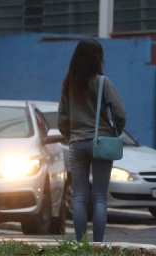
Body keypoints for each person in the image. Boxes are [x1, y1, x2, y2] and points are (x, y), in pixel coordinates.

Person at [58, 39, 126, 242]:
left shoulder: (68, 82)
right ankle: (98, 244)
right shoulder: (103, 82)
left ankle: (80, 245)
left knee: (79, 196)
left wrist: (69, 136)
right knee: (99, 197)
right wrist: (117, 130)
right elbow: (120, 112)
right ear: (98, 58)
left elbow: (62, 115)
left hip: (77, 142)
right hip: (101, 142)